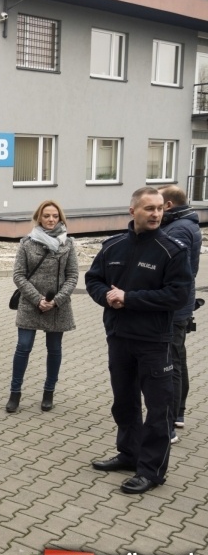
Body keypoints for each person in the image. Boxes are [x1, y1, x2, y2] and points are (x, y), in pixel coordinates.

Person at [86, 187, 191, 495]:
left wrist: (129, 298)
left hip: (155, 342)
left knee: (159, 409)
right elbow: (93, 279)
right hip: (119, 338)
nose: (156, 214)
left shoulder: (173, 249)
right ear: (133, 212)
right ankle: (129, 454)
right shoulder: (113, 246)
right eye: (149, 209)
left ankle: (151, 471)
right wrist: (106, 296)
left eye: (159, 208)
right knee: (125, 402)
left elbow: (178, 294)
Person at [6, 200, 78, 413]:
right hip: (30, 304)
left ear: (60, 218)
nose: (50, 219)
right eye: (46, 216)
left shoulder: (68, 244)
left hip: (58, 306)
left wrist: (56, 300)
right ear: (39, 218)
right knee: (23, 347)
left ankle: (49, 393)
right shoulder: (27, 243)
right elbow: (18, 275)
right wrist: (37, 299)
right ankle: (15, 393)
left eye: (55, 216)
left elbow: (73, 276)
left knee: (54, 350)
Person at [159, 185, 201, 439]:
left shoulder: (179, 229)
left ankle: (170, 423)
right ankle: (179, 414)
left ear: (168, 205)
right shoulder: (186, 223)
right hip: (181, 305)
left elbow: (178, 272)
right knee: (178, 359)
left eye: (157, 204)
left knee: (171, 363)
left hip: (174, 309)